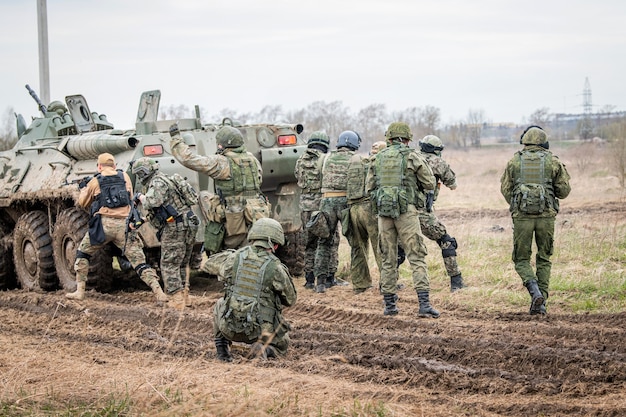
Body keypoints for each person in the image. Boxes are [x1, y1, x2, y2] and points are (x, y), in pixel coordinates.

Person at [66, 153, 167, 303]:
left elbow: (82, 203)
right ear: (114, 166)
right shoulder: (125, 177)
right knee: (140, 263)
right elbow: (130, 198)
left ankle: (80, 291)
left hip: (103, 226)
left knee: (83, 254)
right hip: (125, 227)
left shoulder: (95, 181)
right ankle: (159, 293)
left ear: (99, 166)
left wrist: (83, 189)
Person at [366, 122, 439, 317]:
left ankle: (390, 306)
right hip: (407, 212)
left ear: (389, 138)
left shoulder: (377, 157)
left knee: (388, 258)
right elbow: (429, 182)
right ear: (406, 139)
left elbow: (369, 187)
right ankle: (424, 305)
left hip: (384, 214)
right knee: (416, 256)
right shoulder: (412, 156)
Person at [500, 126, 571, 315]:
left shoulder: (514, 161)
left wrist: (518, 204)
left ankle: (534, 292)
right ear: (543, 141)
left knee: (521, 259)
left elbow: (506, 189)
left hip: (522, 217)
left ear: (525, 141)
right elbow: (564, 192)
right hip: (546, 217)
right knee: (544, 258)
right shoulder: (553, 161)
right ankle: (542, 303)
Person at [168, 123, 269, 256]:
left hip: (234, 216)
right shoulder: (252, 159)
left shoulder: (221, 162)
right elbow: (258, 180)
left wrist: (176, 139)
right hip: (256, 212)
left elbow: (189, 159)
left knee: (205, 198)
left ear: (222, 145)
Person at [213, 218, 297, 361]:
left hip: (230, 327)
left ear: (252, 238)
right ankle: (266, 349)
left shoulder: (235, 258)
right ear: (275, 245)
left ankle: (223, 351)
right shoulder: (276, 268)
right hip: (261, 332)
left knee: (220, 303)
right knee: (284, 343)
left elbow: (212, 266)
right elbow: (291, 300)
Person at [132, 157, 200, 310]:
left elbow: (152, 202)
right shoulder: (167, 179)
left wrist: (140, 197)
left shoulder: (157, 182)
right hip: (187, 223)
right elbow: (162, 208)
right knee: (182, 262)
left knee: (169, 264)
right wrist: (143, 220)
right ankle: (185, 296)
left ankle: (176, 299)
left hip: (175, 226)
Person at [415, 134, 466, 292]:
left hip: (402, 213)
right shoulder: (438, 162)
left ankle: (388, 284)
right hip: (422, 213)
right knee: (447, 241)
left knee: (401, 247)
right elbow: (453, 184)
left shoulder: (412, 158)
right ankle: (456, 282)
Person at [313, 130, 361, 293]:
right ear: (355, 144)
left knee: (323, 242)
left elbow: (320, 177)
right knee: (355, 243)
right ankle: (358, 282)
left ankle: (320, 283)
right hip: (346, 202)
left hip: (326, 201)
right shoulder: (356, 159)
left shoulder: (324, 158)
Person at [294, 131, 339, 290]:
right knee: (328, 242)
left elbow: (297, 178)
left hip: (305, 206)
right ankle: (328, 278)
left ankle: (309, 279)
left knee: (309, 244)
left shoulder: (300, 160)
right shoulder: (324, 160)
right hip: (321, 206)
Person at [345, 140, 385, 293]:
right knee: (380, 247)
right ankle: (386, 284)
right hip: (370, 210)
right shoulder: (380, 163)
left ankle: (360, 285)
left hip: (353, 209)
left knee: (358, 248)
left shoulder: (358, 163)